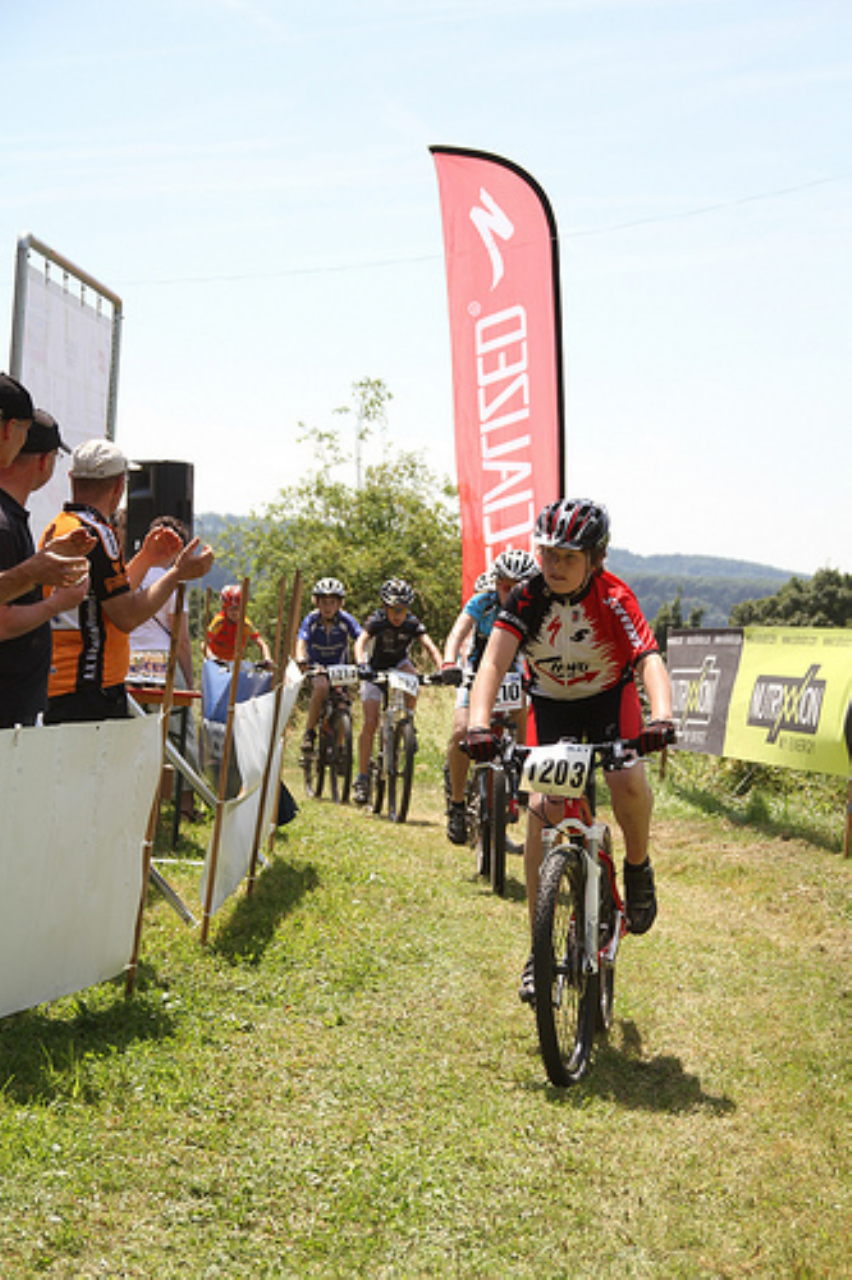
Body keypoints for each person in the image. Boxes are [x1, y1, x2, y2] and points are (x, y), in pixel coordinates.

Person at [465, 499, 674, 1003]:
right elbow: (493, 664)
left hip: (609, 700)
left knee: (626, 779)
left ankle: (638, 868)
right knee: (543, 807)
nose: (554, 566)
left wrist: (661, 716)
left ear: (595, 559)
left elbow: (648, 658)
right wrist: (477, 724)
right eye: (548, 554)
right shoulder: (526, 598)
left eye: (568, 557)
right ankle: (538, 950)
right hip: (551, 705)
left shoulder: (614, 596)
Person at [42, 438, 214, 724]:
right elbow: (126, 616)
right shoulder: (98, 532)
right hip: (91, 687)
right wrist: (176, 574)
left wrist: (146, 558)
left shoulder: (58, 526)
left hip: (57, 680)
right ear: (119, 486)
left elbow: (107, 597)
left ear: (72, 478)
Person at [0, 410, 90, 727]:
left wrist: (49, 558)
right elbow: (3, 622)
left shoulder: (11, 518)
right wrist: (58, 603)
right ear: (43, 461)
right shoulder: (5, 524)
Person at [442, 549, 537, 844]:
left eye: (519, 586)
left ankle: (518, 771)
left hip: (511, 673)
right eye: (506, 586)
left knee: (521, 709)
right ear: (496, 583)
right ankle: (457, 805)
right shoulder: (482, 603)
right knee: (461, 731)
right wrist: (449, 662)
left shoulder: (536, 607)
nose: (511, 592)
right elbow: (457, 633)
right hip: (475, 671)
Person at [352, 577, 442, 805]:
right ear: (385, 607)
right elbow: (360, 642)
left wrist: (443, 668)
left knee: (413, 675)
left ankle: (408, 721)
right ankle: (362, 778)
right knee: (370, 722)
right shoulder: (377, 620)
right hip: (374, 669)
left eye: (402, 609)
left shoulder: (412, 623)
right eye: (393, 609)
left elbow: (430, 646)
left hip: (398, 665)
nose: (398, 615)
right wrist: (361, 664)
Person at [0, 378, 90, 605]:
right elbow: (4, 619)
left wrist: (38, 566)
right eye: (24, 429)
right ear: (10, 428)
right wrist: (35, 576)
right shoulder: (4, 523)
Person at [295, 576, 362, 755]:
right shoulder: (311, 620)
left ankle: (340, 747)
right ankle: (309, 733)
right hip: (317, 666)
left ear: (339, 604)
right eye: (324, 602)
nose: (328, 607)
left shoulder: (346, 620)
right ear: (317, 602)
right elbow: (301, 640)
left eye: (332, 602)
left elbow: (361, 638)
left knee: (343, 705)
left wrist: (365, 659)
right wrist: (300, 658)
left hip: (340, 668)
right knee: (321, 687)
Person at [206, 584, 272, 666]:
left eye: (238, 609)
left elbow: (262, 643)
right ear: (225, 608)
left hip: (234, 663)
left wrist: (267, 658)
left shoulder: (245, 624)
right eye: (231, 609)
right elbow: (204, 644)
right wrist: (212, 658)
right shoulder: (219, 621)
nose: (235, 613)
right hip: (215, 662)